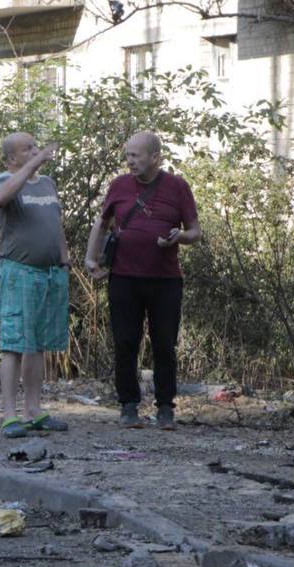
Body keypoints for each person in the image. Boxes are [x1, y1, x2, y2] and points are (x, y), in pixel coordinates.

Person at [85, 131, 202, 430]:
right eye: (128, 155)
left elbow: (194, 232)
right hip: (124, 277)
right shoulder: (119, 185)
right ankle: (128, 406)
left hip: (166, 281)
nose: (130, 161)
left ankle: (165, 408)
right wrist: (90, 258)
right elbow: (102, 222)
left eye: (136, 155)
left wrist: (180, 236)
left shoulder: (177, 187)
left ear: (155, 156)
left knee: (165, 344)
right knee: (125, 342)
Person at [0, 132, 71, 439]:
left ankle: (34, 411)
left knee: (38, 343)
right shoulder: (1, 180)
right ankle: (10, 416)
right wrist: (33, 164)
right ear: (11, 159)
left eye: (36, 147)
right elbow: (1, 199)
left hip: (50, 273)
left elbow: (55, 223)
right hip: (18, 272)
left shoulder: (48, 184)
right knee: (14, 343)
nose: (36, 151)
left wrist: (65, 261)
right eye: (28, 149)